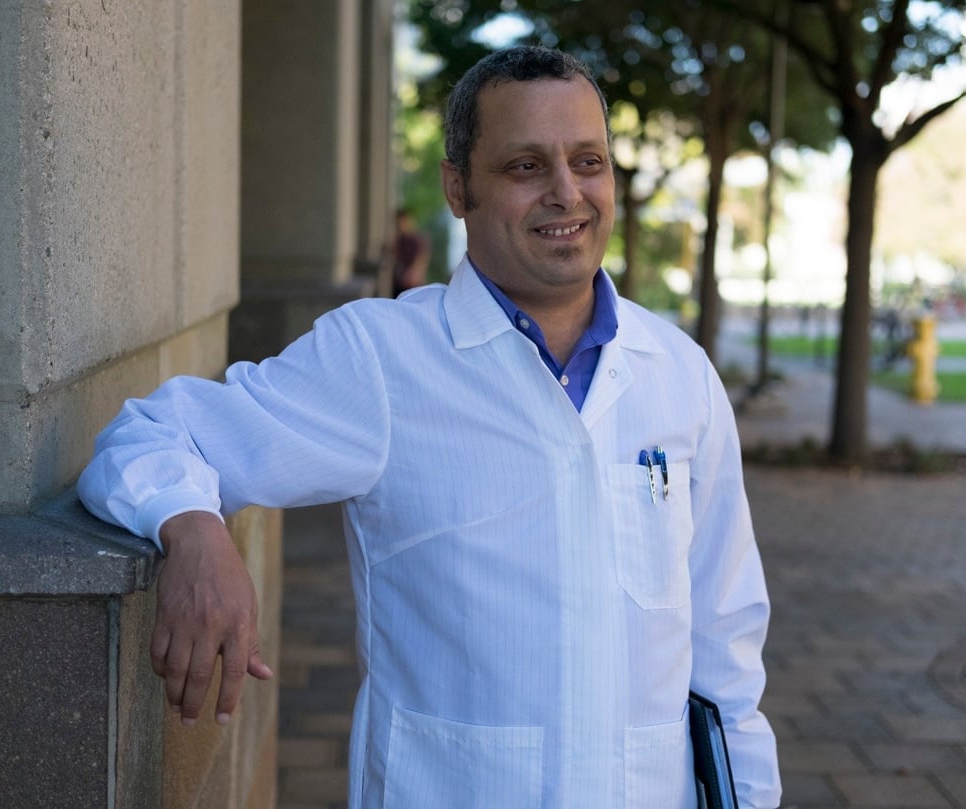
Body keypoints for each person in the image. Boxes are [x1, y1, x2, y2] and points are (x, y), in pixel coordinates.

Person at [79, 46, 780, 808]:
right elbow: (147, 434)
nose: (566, 192)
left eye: (588, 161)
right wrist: (190, 527)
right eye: (524, 167)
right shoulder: (381, 360)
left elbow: (725, 647)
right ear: (457, 187)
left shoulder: (679, 375)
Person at [391, 207, 431, 296]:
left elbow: (422, 258)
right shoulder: (400, 240)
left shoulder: (416, 239)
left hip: (412, 283)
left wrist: (413, 273)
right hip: (400, 281)